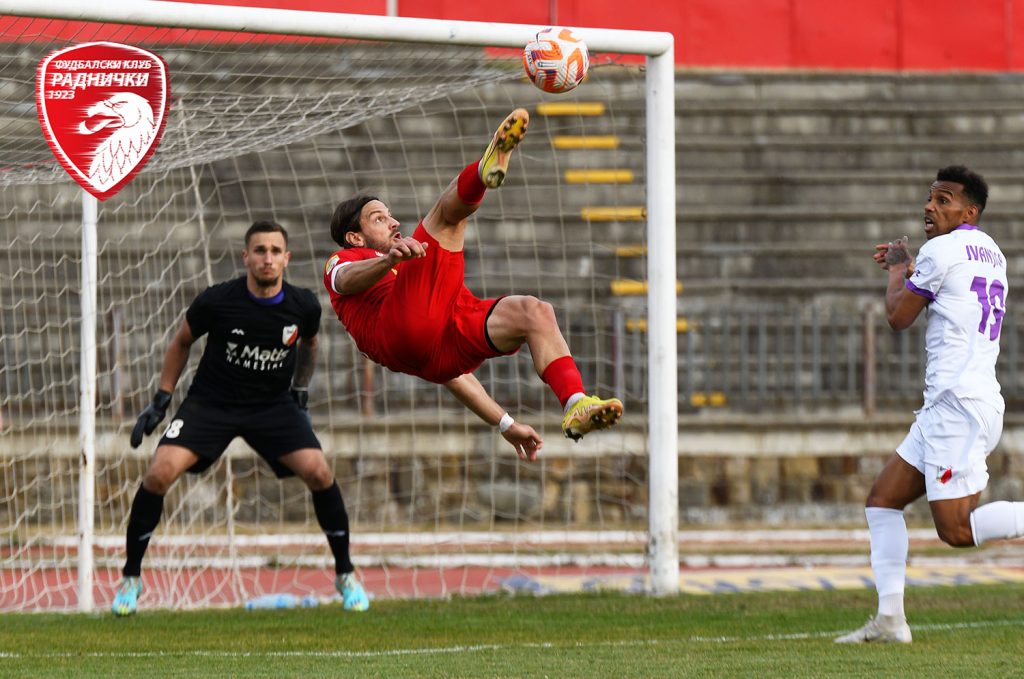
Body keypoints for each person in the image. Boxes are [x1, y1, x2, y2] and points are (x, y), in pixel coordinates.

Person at [322, 108, 623, 461]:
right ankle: (484, 171)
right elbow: (343, 281)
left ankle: (575, 403)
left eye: (389, 214)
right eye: (378, 218)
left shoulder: (408, 264)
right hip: (399, 330)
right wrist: (388, 260)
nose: (393, 222)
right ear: (355, 238)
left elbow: (454, 376)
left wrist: (505, 422)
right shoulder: (346, 260)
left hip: (439, 354)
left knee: (534, 312)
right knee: (444, 216)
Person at [112, 220, 369, 616]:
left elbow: (311, 345)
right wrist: (161, 400)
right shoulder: (217, 301)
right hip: (211, 404)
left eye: (275, 251)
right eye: (260, 250)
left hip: (272, 406)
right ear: (246, 256)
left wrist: (300, 388)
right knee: (159, 473)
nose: (267, 258)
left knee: (319, 471)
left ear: (287, 258)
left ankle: (346, 574)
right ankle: (131, 578)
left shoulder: (302, 305)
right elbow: (182, 341)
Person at [836, 166, 1024, 644]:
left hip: (956, 408)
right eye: (930, 198)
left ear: (969, 211)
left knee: (956, 531)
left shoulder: (940, 250)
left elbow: (899, 316)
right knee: (882, 502)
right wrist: (910, 265)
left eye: (944, 200)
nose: (930, 206)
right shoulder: (993, 252)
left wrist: (900, 267)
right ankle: (891, 620)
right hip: (960, 404)